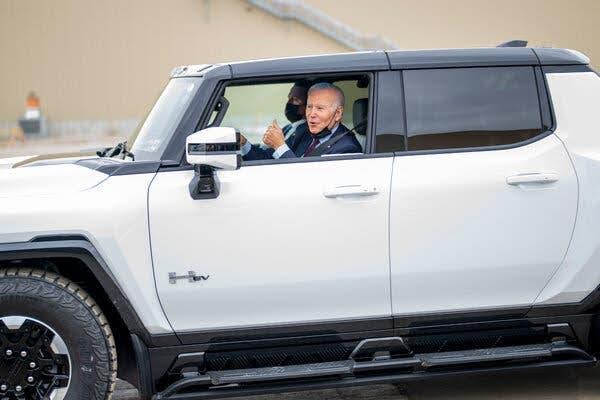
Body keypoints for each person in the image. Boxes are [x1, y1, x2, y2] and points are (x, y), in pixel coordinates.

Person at [262, 82, 361, 159]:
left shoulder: (347, 148)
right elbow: (267, 158)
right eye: (309, 107)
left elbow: (309, 182)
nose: (311, 114)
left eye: (320, 108)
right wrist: (246, 144)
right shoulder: (303, 132)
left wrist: (280, 146)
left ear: (338, 113)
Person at [240, 81, 309, 160]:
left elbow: (269, 159)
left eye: (295, 100)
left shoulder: (303, 131)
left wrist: (278, 144)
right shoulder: (288, 127)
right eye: (289, 98)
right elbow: (267, 152)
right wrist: (243, 142)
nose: (289, 103)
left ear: (306, 106)